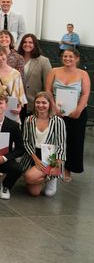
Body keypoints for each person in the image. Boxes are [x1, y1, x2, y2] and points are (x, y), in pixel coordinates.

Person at [46, 49, 90, 182]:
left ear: (77, 58)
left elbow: (85, 94)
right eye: (65, 56)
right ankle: (52, 167)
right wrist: (53, 107)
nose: (67, 59)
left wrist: (78, 110)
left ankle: (68, 170)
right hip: (56, 111)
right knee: (53, 140)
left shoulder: (83, 74)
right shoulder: (54, 71)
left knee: (74, 141)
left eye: (70, 56)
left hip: (77, 113)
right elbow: (47, 90)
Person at [20, 91, 67, 197]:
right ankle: (43, 177)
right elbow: (26, 141)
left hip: (50, 157)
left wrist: (56, 166)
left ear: (50, 104)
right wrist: (36, 160)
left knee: (47, 192)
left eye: (44, 103)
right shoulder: (29, 120)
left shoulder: (58, 121)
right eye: (38, 102)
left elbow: (61, 145)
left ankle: (52, 177)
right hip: (33, 155)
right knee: (34, 193)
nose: (40, 105)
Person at [0, 45, 26, 122]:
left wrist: (19, 107)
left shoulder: (16, 73)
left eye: (1, 54)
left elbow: (20, 94)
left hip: (11, 109)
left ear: (6, 55)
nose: (0, 58)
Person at [18, 34, 51, 116]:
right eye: (25, 42)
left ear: (35, 45)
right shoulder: (16, 58)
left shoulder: (43, 61)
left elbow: (48, 84)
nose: (27, 44)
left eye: (30, 42)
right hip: (18, 101)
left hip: (34, 102)